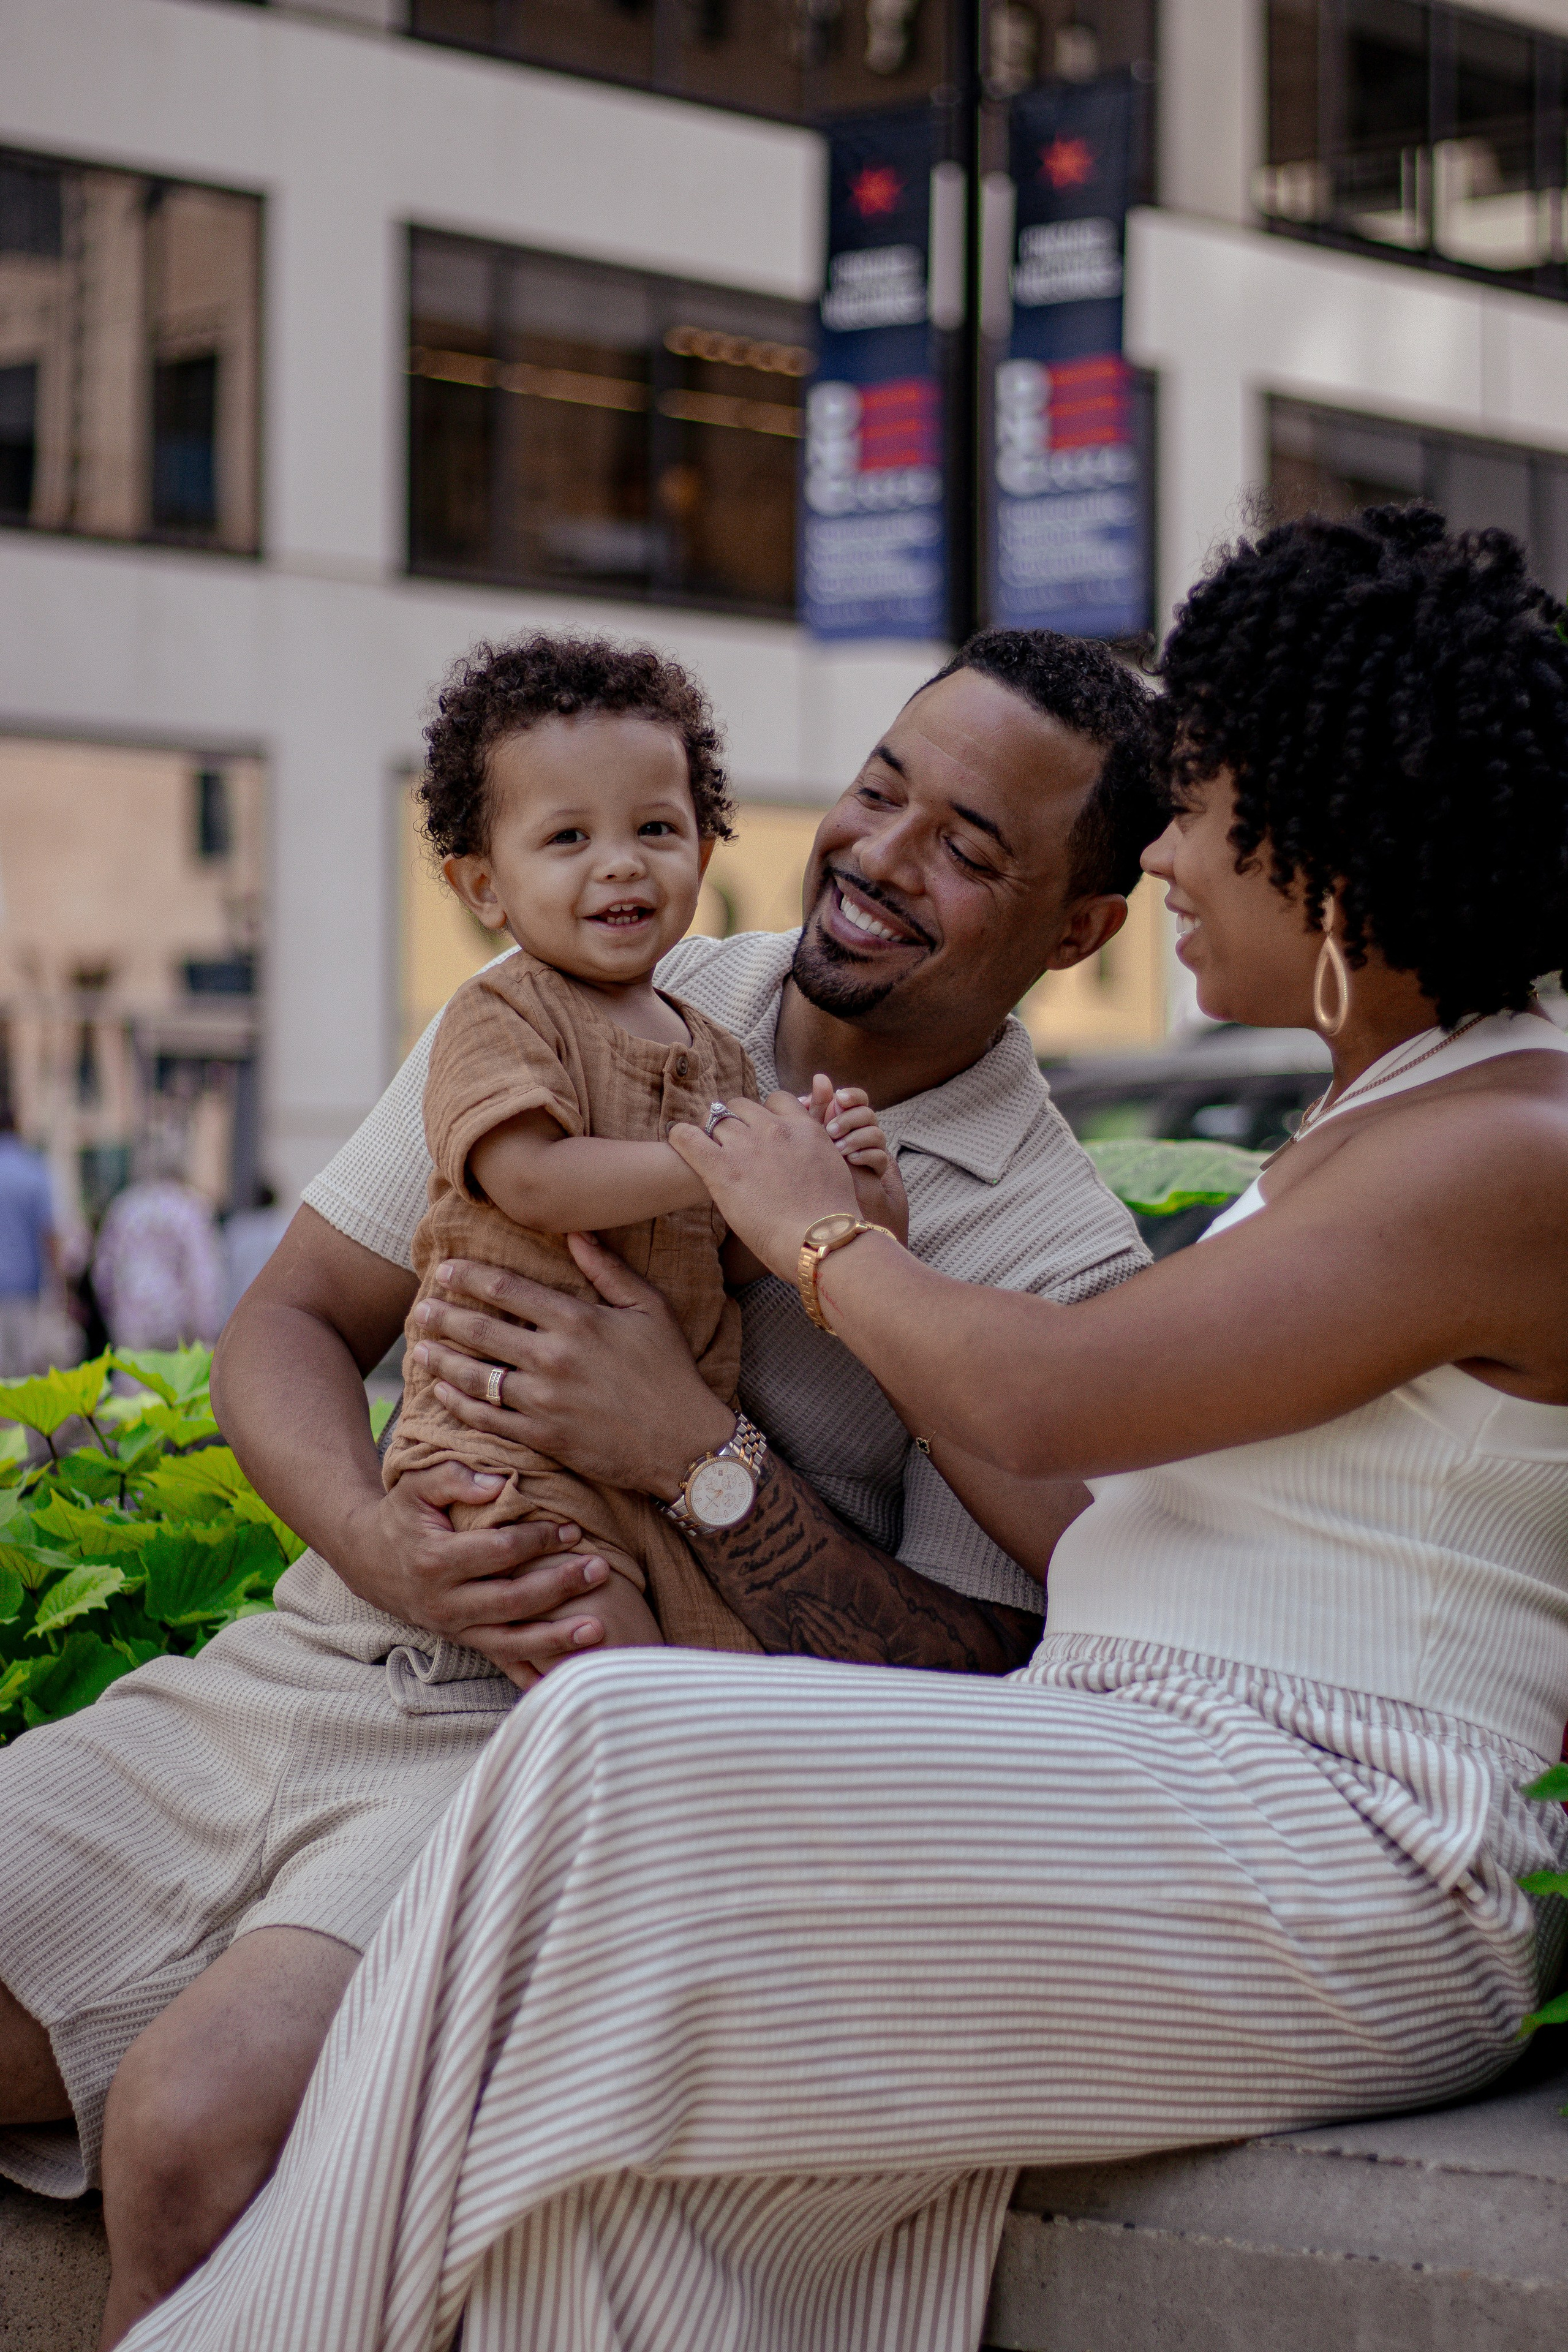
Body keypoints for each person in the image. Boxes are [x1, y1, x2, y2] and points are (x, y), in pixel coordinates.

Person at [114, 507, 1568, 2352]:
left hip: (1336, 1830)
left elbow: (1046, 1395)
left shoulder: (1501, 1146)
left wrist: (811, 1237)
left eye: (1199, 805)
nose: (1171, 854)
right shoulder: (1400, 1115)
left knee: (610, 1737)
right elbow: (1091, 1487)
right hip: (1161, 1767)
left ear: (1333, 850)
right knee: (618, 2186)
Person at [0, 626, 1158, 2345]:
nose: (879, 856)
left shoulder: (1053, 1254)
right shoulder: (594, 967)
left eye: (967, 849)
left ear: (1080, 931)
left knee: (196, 2133)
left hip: (554, 1750)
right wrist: (384, 1544)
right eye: (876, 791)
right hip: (311, 1655)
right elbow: (292, 1323)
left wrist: (696, 1457)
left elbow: (983, 1674)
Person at [386, 631, 902, 1656]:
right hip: (504, 1447)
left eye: (655, 828)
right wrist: (720, 1162)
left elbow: (745, 1254)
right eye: (568, 837)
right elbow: (530, 1180)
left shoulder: (720, 1055)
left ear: (702, 857)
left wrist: (844, 1191)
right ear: (484, 887)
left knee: (713, 1684)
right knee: (602, 1656)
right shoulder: (500, 1014)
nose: (620, 861)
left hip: (657, 1467)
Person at [91, 1138, 226, 1352]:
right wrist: (207, 1329)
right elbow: (203, 1274)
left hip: (131, 1321)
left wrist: (112, 1313)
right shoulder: (191, 1208)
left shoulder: (125, 1207)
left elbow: (104, 1271)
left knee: (133, 1372)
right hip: (177, 1322)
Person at [0, 1104, 57, 1376]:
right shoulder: (33, 1169)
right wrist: (59, 1287)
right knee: (25, 1376)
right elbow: (49, 1234)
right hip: (25, 1290)